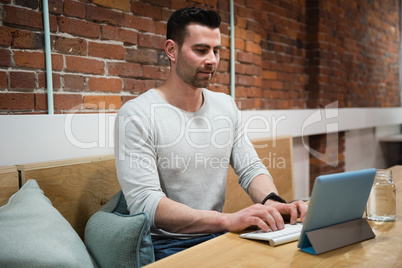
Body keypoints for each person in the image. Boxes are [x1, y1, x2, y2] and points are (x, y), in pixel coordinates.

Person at [114, 6, 307, 261]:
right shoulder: (136, 114)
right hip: (168, 245)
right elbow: (146, 205)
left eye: (216, 51)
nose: (212, 60)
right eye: (201, 50)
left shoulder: (225, 105)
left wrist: (271, 202)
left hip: (220, 234)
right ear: (171, 50)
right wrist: (227, 220)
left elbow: (250, 167)